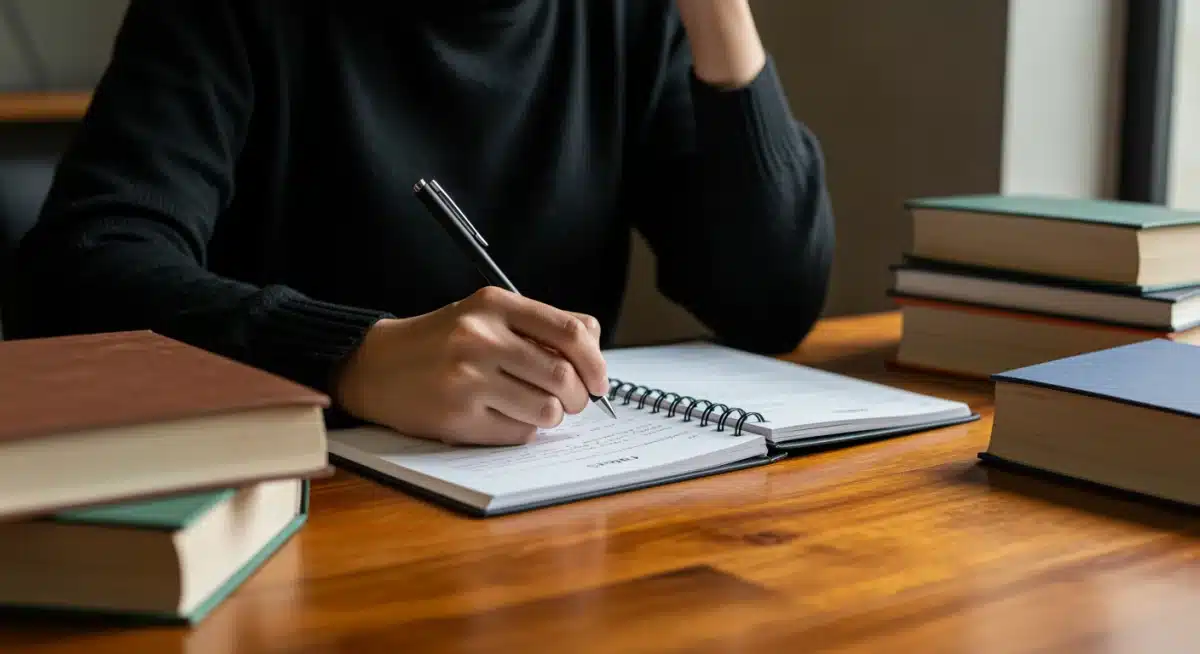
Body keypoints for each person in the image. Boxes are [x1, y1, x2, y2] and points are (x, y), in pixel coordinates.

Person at [6, 0, 834, 446]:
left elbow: (771, 303)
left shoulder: (629, 15)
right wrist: (350, 359)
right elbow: (76, 280)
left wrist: (720, 16)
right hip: (292, 514)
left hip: (554, 526)